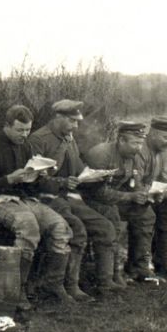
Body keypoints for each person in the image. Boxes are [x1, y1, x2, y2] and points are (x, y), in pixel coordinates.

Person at [0, 105, 74, 307]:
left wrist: (39, 175)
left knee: (60, 226)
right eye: (20, 130)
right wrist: (10, 178)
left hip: (23, 199)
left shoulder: (25, 146)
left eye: (28, 130)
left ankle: (52, 285)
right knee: (28, 228)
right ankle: (16, 289)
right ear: (7, 126)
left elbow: (32, 184)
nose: (24, 135)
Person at [28, 99, 123, 298]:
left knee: (104, 228)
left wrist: (99, 176)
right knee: (77, 231)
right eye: (72, 121)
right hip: (45, 199)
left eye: (77, 121)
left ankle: (104, 282)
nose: (76, 126)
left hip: (67, 197)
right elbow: (34, 179)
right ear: (58, 117)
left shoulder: (68, 139)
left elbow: (80, 170)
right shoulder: (39, 139)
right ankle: (67, 286)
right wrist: (62, 182)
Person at [84, 121, 157, 282]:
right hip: (88, 199)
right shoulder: (101, 154)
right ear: (121, 140)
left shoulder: (133, 156)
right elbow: (95, 191)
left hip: (114, 199)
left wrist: (142, 194)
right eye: (135, 143)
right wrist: (129, 197)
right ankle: (112, 273)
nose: (138, 148)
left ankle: (139, 266)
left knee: (145, 214)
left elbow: (134, 183)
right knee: (112, 218)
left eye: (140, 143)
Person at [140, 117, 167, 278]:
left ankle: (162, 261)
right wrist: (165, 194)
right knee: (146, 215)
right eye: (165, 137)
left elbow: (161, 178)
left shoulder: (162, 151)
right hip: (135, 196)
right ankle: (140, 264)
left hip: (151, 195)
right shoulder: (140, 150)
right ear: (152, 134)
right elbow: (135, 185)